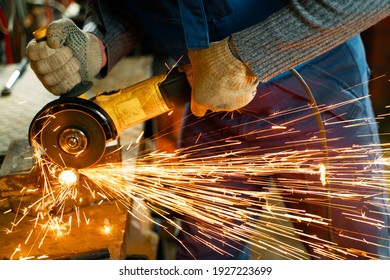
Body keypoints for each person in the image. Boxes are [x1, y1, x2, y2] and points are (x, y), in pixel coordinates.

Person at [26, 0, 390, 260]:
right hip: (210, 105)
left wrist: (249, 55)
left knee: (354, 254)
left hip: (314, 99)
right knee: (203, 255)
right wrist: (98, 43)